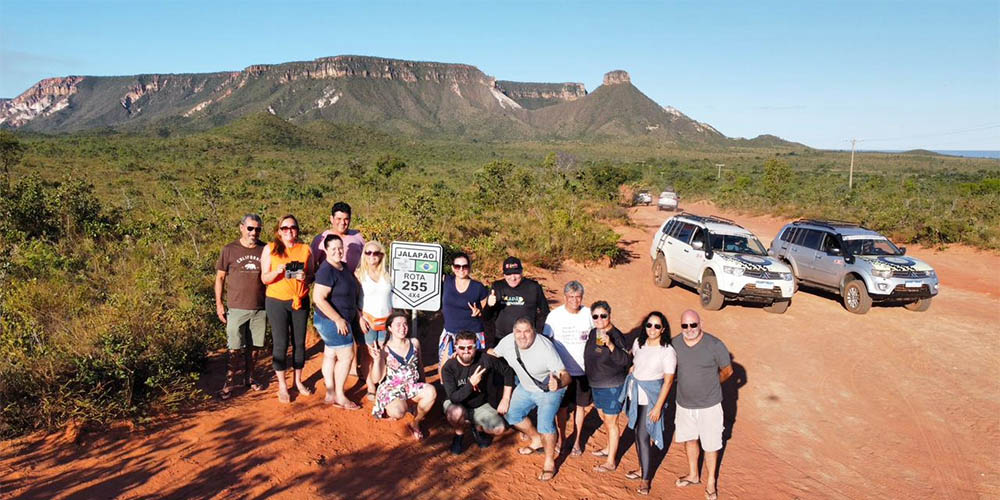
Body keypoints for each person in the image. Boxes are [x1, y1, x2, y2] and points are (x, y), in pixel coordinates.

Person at [490, 317, 570, 482]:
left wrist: (559, 383)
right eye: (518, 331)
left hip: (549, 389)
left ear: (534, 331)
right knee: (512, 415)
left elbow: (566, 375)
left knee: (545, 425)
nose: (522, 336)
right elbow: (492, 354)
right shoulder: (507, 342)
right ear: (513, 332)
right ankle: (535, 439)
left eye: (527, 331)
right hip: (526, 388)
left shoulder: (545, 347)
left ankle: (549, 462)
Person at [672, 310, 732, 500]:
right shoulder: (675, 344)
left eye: (693, 325)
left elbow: (728, 371)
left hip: (710, 405)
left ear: (701, 323)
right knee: (689, 439)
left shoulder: (714, 345)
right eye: (685, 326)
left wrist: (713, 384)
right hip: (684, 404)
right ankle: (693, 474)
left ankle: (711, 483)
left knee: (711, 445)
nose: (689, 329)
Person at [620, 311, 676, 495]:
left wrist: (659, 406)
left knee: (643, 436)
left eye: (657, 326)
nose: (652, 329)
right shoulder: (639, 343)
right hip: (634, 394)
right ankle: (641, 468)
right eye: (649, 325)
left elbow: (668, 381)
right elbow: (636, 361)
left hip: (651, 397)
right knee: (637, 433)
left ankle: (645, 480)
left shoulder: (667, 351)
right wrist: (633, 368)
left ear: (663, 329)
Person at [214, 214, 267, 399]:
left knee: (255, 347)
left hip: (260, 307)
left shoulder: (265, 249)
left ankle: (250, 378)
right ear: (242, 227)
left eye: (258, 229)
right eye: (251, 228)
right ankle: (229, 383)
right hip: (236, 307)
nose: (254, 232)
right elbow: (220, 277)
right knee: (234, 347)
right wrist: (219, 303)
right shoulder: (229, 250)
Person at [261, 214, 313, 403]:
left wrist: (305, 278)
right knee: (281, 343)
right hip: (276, 301)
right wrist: (278, 270)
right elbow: (264, 278)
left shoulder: (305, 249)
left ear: (297, 230)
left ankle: (297, 381)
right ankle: (282, 385)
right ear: (278, 231)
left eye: (292, 227)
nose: (289, 231)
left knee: (299, 343)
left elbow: (312, 274)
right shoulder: (271, 249)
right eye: (285, 228)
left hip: (299, 300)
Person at [541, 280, 593, 457]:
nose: (574, 300)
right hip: (562, 372)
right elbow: (546, 343)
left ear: (582, 297)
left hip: (583, 371)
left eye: (578, 297)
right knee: (561, 408)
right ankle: (562, 439)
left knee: (580, 407)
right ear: (565, 297)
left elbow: (598, 336)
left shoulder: (589, 314)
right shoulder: (554, 316)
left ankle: (577, 441)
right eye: (571, 297)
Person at [441, 331, 514, 455]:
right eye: (462, 347)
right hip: (458, 404)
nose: (466, 351)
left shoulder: (485, 359)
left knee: (499, 428)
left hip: (480, 404)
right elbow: (454, 398)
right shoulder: (449, 367)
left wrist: (506, 398)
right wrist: (471, 384)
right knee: (457, 413)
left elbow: (507, 372)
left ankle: (477, 428)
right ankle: (459, 434)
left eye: (470, 347)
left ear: (476, 346)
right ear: (456, 348)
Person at [312, 234, 361, 410]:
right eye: (333, 248)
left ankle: (331, 392)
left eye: (340, 248)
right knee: (347, 355)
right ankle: (340, 395)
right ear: (326, 250)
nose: (338, 251)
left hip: (339, 318)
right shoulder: (326, 271)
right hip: (331, 320)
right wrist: (338, 319)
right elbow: (318, 298)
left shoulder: (343, 267)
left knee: (331, 353)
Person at [371, 310, 438, 440]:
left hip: (411, 386)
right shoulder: (385, 349)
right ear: (390, 328)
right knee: (398, 411)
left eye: (405, 324)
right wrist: (377, 359)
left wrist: (423, 384)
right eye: (398, 324)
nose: (403, 328)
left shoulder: (414, 343)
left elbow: (420, 366)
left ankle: (416, 422)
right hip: (392, 388)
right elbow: (376, 378)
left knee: (431, 392)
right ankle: (398, 406)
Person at [583, 300, 631, 473]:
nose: (599, 319)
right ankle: (609, 448)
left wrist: (610, 345)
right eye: (595, 316)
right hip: (597, 385)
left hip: (612, 385)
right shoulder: (593, 332)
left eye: (603, 315)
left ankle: (611, 461)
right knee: (604, 416)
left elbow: (625, 361)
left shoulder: (616, 336)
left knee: (611, 422)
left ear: (610, 315)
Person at [439, 252, 491, 373]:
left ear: (469, 267)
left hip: (471, 334)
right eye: (457, 266)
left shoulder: (478, 287)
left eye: (465, 266)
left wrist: (479, 312)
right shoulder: (446, 281)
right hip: (450, 333)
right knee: (445, 370)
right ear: (452, 267)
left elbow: (486, 312)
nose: (461, 269)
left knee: (470, 372)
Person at [356, 240, 392, 401]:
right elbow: (352, 300)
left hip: (386, 322)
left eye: (376, 253)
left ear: (381, 255)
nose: (372, 256)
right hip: (367, 321)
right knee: (367, 353)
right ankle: (370, 385)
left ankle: (381, 382)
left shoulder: (389, 275)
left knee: (383, 352)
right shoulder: (358, 275)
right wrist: (360, 318)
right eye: (368, 252)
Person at [486, 256, 549, 343]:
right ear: (504, 274)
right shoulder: (497, 287)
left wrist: (537, 332)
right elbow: (487, 316)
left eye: (516, 273)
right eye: (509, 274)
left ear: (522, 272)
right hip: (502, 339)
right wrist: (489, 305)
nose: (513, 278)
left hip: (526, 339)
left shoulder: (533, 287)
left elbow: (545, 312)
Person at [310, 201, 365, 273]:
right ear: (331, 219)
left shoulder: (357, 236)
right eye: (339, 219)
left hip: (356, 282)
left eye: (346, 219)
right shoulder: (321, 239)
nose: (342, 222)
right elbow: (311, 265)